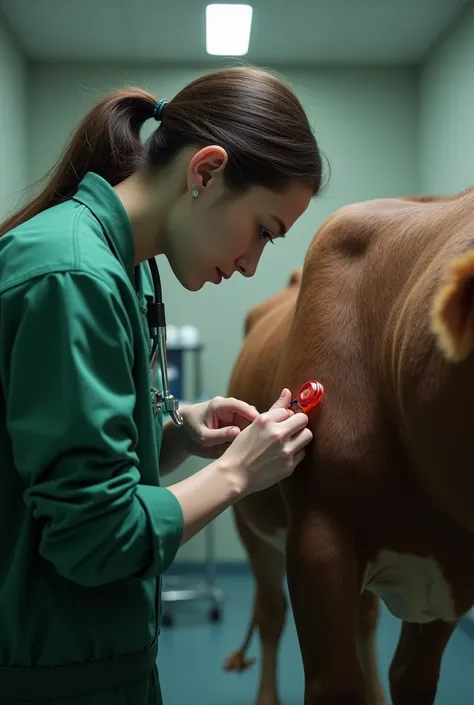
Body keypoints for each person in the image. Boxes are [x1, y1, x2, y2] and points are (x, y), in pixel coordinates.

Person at [0, 65, 324, 704]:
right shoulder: (70, 276)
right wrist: (237, 474)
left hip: (112, 657)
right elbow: (93, 535)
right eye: (263, 230)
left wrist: (177, 431)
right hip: (52, 679)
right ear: (204, 172)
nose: (252, 264)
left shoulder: (135, 269)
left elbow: (90, 455)